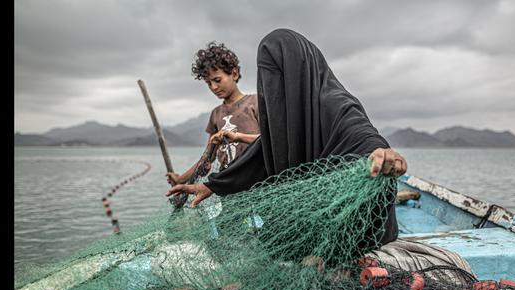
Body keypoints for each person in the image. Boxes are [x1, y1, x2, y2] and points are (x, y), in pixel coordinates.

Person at [167, 29, 407, 245]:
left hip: (347, 223)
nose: (272, 86)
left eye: (278, 75)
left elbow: (362, 134)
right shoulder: (281, 114)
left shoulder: (334, 102)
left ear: (298, 70)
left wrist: (382, 152)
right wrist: (213, 185)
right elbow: (263, 151)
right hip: (306, 217)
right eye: (267, 78)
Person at [166, 42, 261, 188]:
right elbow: (207, 161)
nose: (214, 87)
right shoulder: (216, 114)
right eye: (208, 83)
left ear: (234, 74)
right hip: (229, 187)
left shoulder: (255, 103)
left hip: (257, 183)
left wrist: (238, 136)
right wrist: (180, 179)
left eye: (217, 80)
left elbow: (270, 142)